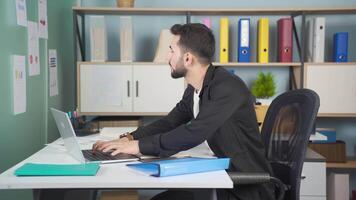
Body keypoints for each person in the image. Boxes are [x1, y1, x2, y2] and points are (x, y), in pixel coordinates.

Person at [93, 23, 275, 200]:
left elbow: (194, 132)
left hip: (245, 188)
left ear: (188, 58)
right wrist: (129, 138)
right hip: (222, 177)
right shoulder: (196, 88)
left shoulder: (227, 87)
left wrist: (137, 147)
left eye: (172, 50)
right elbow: (170, 122)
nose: (167, 57)